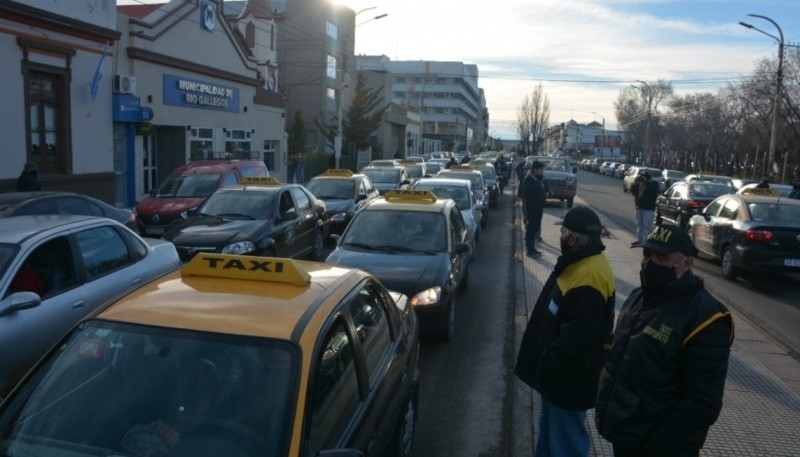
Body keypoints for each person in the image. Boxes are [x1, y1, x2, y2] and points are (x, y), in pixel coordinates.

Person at [595, 224, 734, 457]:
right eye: (647, 254)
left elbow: (704, 404)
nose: (650, 263)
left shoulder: (706, 318)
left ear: (687, 264)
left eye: (662, 257)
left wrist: (654, 445)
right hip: (626, 437)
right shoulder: (638, 297)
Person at [515, 206, 616, 457]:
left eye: (563, 232)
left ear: (573, 239)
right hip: (558, 379)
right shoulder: (581, 262)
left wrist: (547, 361)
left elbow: (578, 341)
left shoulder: (589, 275)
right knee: (550, 436)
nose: (560, 236)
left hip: (566, 381)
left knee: (566, 444)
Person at [521, 161, 548, 256]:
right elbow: (528, 190)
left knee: (536, 228)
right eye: (540, 169)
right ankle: (530, 250)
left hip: (539, 207)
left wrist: (545, 189)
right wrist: (539, 186)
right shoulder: (528, 179)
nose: (542, 171)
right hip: (531, 208)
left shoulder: (541, 178)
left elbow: (546, 187)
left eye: (542, 169)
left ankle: (532, 248)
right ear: (534, 169)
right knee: (531, 229)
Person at [630, 171, 659, 247]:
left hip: (648, 209)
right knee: (639, 224)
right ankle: (639, 240)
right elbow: (632, 190)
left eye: (645, 177)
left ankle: (646, 241)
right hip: (639, 207)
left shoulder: (654, 184)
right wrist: (636, 181)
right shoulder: (639, 184)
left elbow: (653, 191)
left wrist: (647, 182)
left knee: (646, 225)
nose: (643, 179)